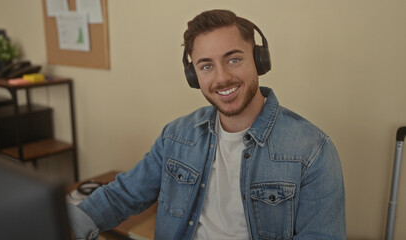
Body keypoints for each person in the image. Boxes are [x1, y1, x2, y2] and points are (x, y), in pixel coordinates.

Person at [68, 9, 346, 240]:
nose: (222, 77)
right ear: (193, 75)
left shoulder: (312, 151)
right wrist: (62, 225)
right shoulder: (176, 136)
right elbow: (123, 195)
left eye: (234, 59)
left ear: (259, 61)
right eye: (206, 66)